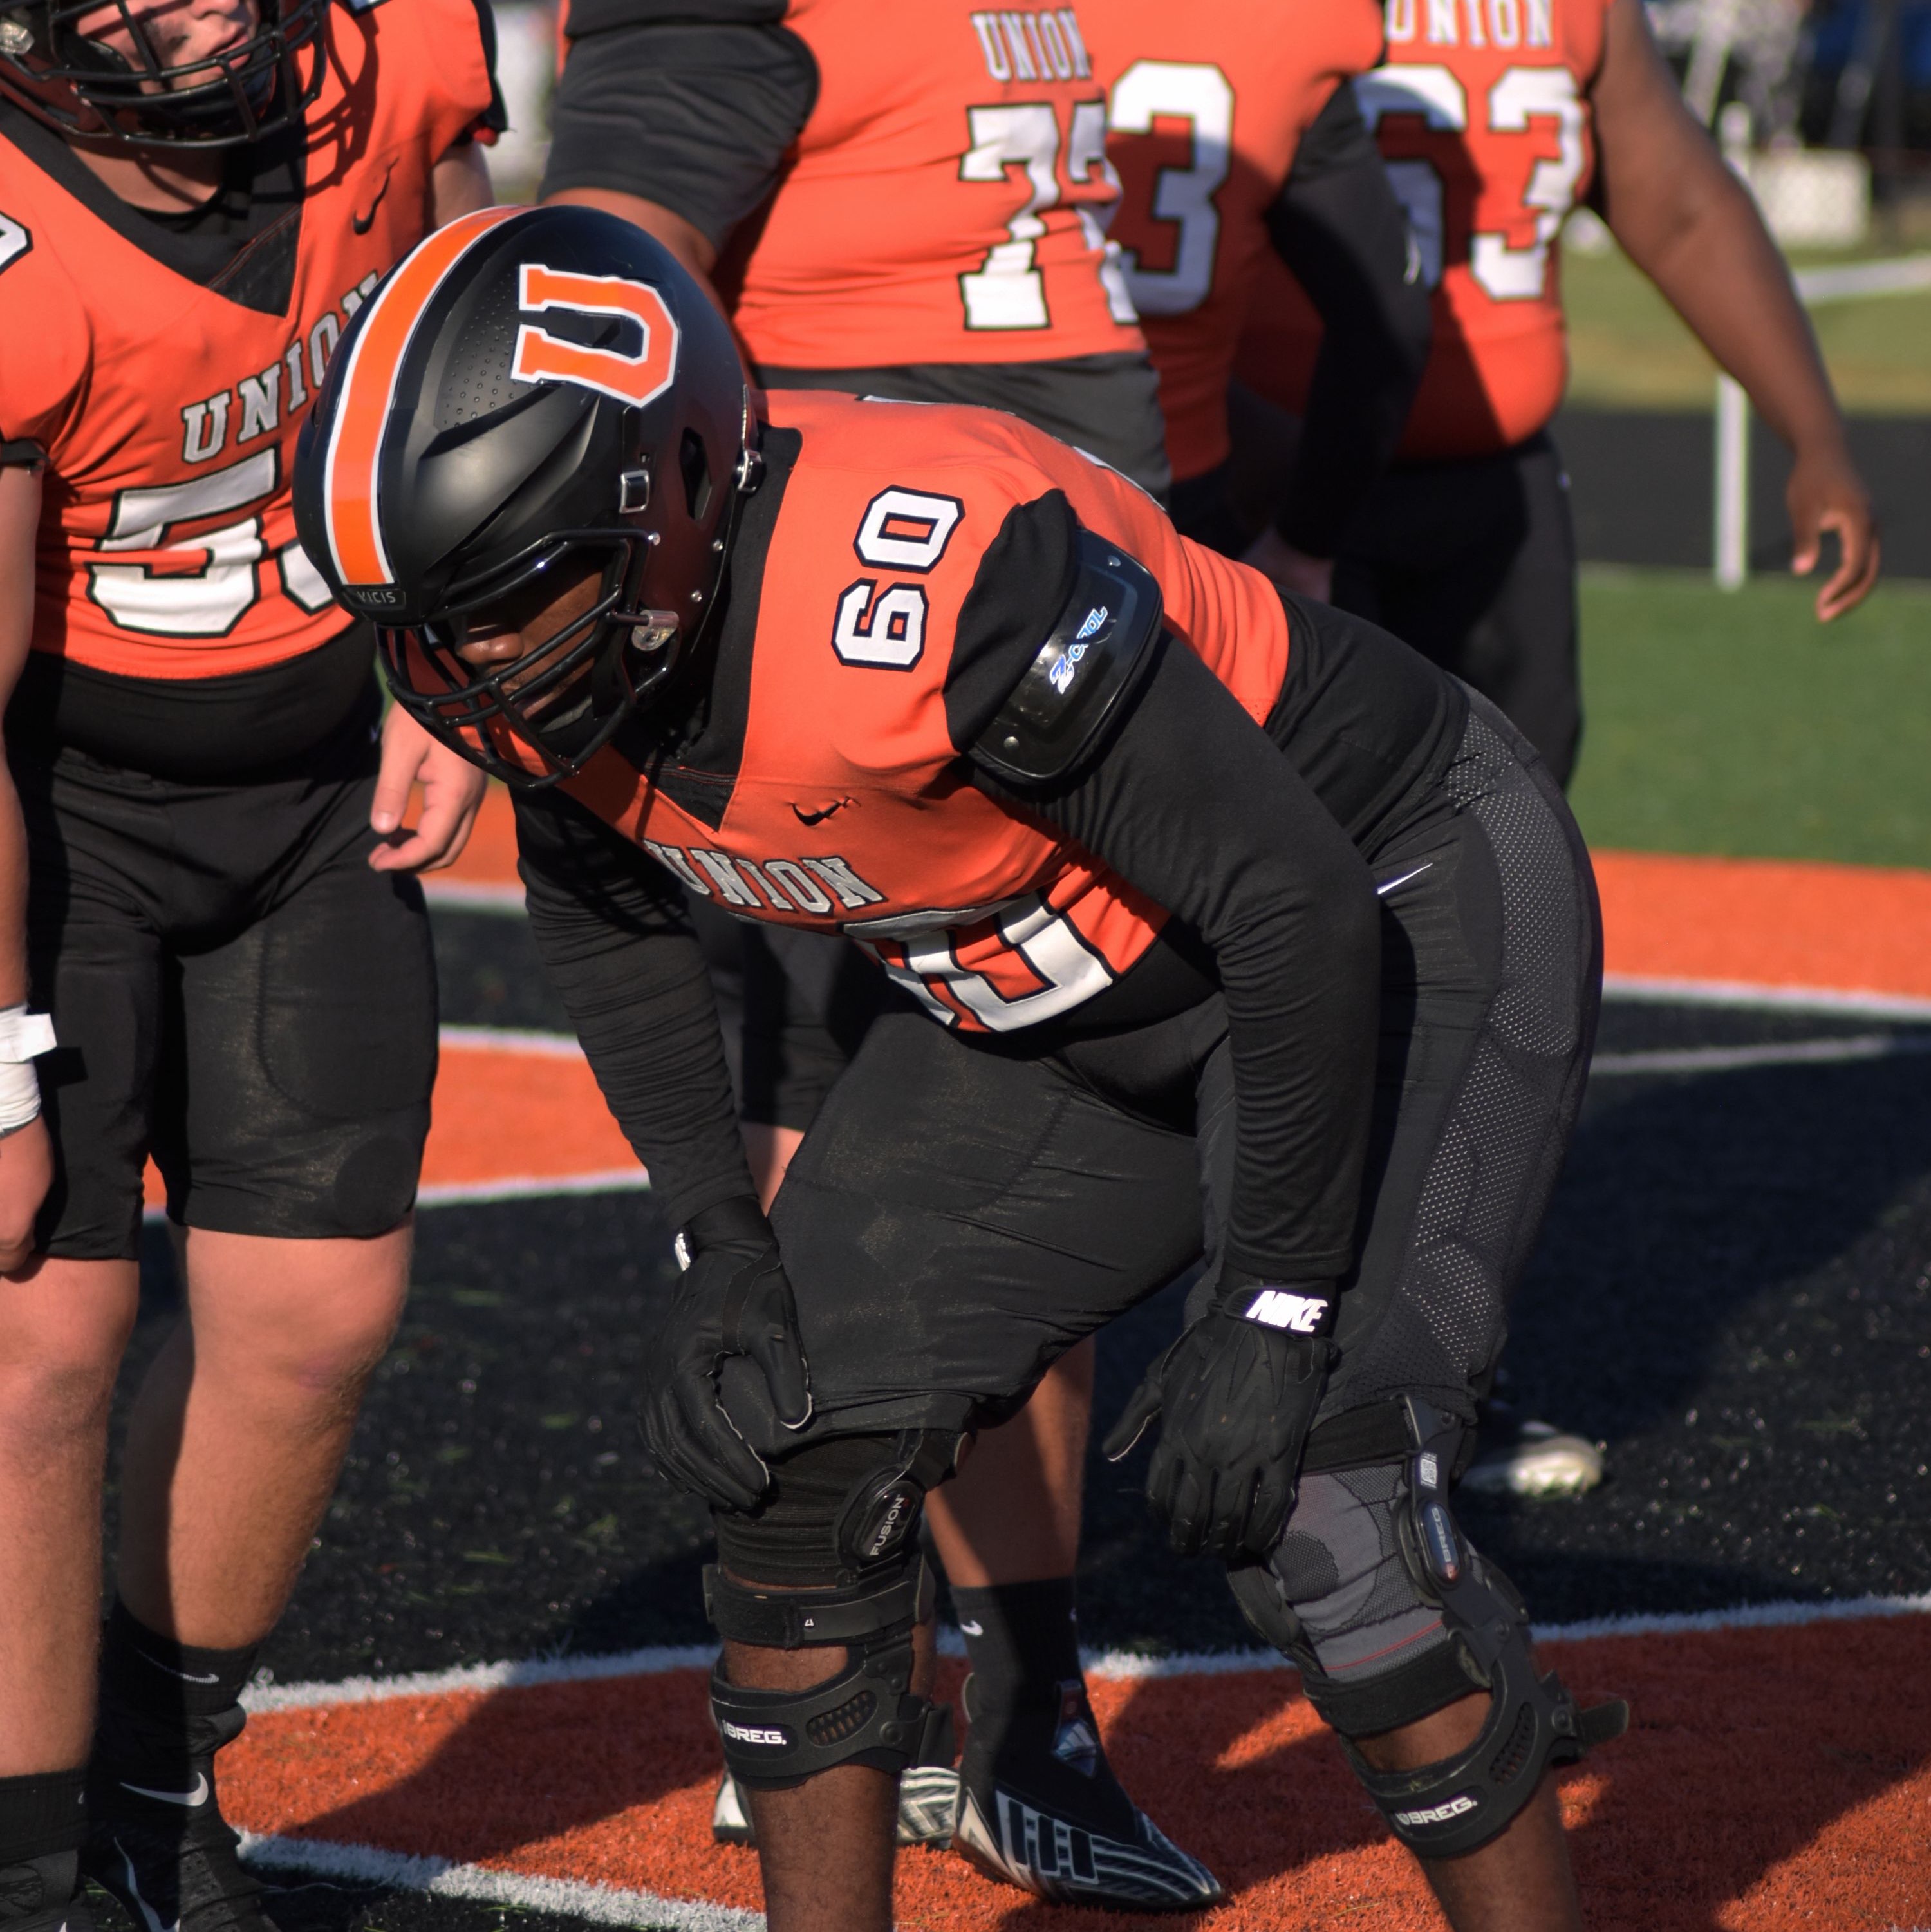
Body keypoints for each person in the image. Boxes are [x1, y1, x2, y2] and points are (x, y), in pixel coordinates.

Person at [295, 203, 1628, 1932]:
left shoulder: (920, 585)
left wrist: (1277, 1303)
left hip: (1388, 904)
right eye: (428, 621)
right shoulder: (577, 650)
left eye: (511, 596)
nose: (472, 667)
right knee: (785, 1448)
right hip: (1055, 986)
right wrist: (721, 1237)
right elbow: (606, 917)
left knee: (1325, 1501)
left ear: (681, 489)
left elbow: (1289, 905)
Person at [537, 5, 1434, 1895]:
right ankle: (853, 1645)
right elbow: (599, 283)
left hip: (1050, 568)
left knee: (1069, 1045)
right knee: (833, 1112)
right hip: (816, 608)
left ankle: (1022, 1699)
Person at [0, 5, 498, 1931]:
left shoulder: (395, 65)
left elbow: (481, 341)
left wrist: (447, 674)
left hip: (302, 789)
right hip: (64, 815)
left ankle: (153, 1780)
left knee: (318, 1314)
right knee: (40, 1348)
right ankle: (33, 1874)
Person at [1233, 0, 1880, 789]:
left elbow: (1682, 209)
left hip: (1498, 492)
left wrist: (1816, 435)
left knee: (1520, 834)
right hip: (1279, 486)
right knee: (1291, 830)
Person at [1097, 0, 1433, 590]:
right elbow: (1388, 322)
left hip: (945, 473)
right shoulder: (1293, 23)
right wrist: (1305, 542)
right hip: (1167, 504)